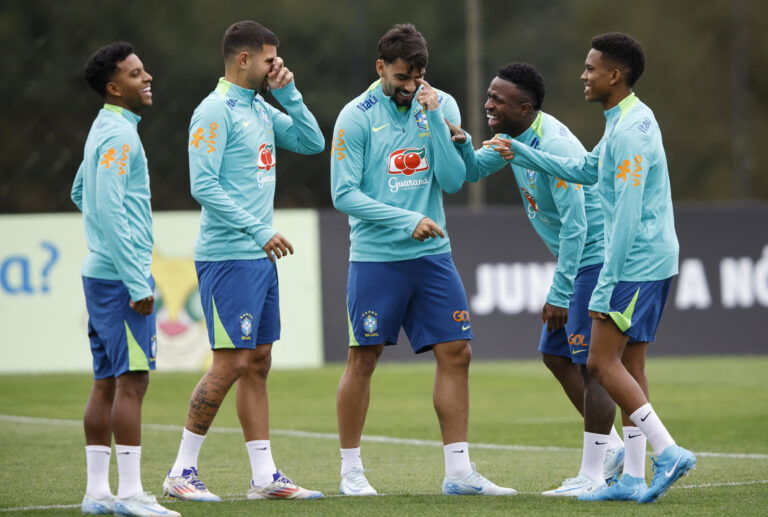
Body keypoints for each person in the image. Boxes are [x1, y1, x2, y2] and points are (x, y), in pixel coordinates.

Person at [498, 33, 696, 503]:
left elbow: (624, 219)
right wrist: (521, 151)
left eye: (591, 69)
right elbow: (587, 170)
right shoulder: (626, 118)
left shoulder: (627, 132)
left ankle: (667, 452)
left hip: (635, 262)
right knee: (631, 366)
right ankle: (630, 477)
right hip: (656, 257)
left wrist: (606, 285)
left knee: (599, 362)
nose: (583, 76)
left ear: (615, 74)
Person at [330, 23, 515, 497]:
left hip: (433, 256)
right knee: (363, 358)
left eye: (417, 77)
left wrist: (434, 118)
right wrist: (403, 220)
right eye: (400, 78)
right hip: (376, 258)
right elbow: (343, 194)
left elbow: (454, 181)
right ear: (381, 69)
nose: (410, 87)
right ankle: (351, 470)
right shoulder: (355, 116)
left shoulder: (441, 104)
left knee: (457, 352)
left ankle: (458, 472)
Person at [162, 20, 325, 502]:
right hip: (229, 254)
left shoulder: (258, 106)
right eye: (270, 59)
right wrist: (259, 228)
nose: (276, 65)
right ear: (243, 60)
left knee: (258, 362)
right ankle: (181, 472)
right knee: (230, 362)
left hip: (257, 256)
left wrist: (290, 93)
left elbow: (314, 142)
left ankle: (263, 477)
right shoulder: (214, 110)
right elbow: (203, 185)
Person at [448, 62, 626, 497]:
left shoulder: (556, 146)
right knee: (555, 355)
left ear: (525, 108)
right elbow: (472, 171)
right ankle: (615, 449)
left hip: (595, 260)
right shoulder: (511, 137)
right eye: (489, 95)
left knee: (594, 366)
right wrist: (463, 142)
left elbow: (578, 226)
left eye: (498, 99)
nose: (488, 104)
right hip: (580, 261)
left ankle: (593, 473)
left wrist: (561, 292)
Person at [72, 42, 180, 516]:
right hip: (121, 278)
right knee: (132, 381)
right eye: (136, 75)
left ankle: (97, 494)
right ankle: (131, 494)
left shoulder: (104, 128)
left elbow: (82, 190)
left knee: (106, 383)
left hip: (101, 271)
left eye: (145, 70)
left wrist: (101, 233)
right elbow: (111, 209)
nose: (148, 77)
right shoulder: (120, 136)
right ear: (115, 88)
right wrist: (137, 280)